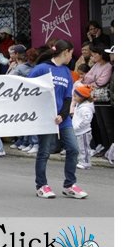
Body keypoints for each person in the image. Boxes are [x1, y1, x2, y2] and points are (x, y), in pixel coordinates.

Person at [27, 39, 88, 199]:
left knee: (73, 149)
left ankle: (69, 185)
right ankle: (41, 185)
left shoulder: (67, 72)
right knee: (44, 152)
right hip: (45, 119)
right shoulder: (41, 69)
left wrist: (62, 115)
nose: (71, 57)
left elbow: (68, 97)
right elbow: (27, 89)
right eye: (71, 53)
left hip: (63, 119)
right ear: (65, 52)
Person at [72, 85, 95, 170]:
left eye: (75, 96)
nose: (74, 97)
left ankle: (85, 163)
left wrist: (78, 127)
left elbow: (86, 120)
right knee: (80, 147)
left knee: (84, 148)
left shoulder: (86, 108)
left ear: (82, 97)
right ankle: (81, 161)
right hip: (79, 131)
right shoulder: (79, 105)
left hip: (83, 132)